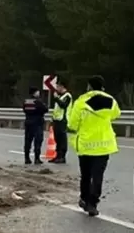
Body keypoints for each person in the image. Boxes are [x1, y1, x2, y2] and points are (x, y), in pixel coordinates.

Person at [68, 75, 121, 217]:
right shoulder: (111, 100)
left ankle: (84, 199)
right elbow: (116, 114)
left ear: (89, 86)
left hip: (85, 145)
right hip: (103, 145)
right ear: (102, 87)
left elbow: (73, 123)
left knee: (86, 175)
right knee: (98, 176)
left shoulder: (81, 101)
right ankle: (93, 203)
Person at [22, 87, 48, 165]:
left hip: (28, 122)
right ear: (34, 93)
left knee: (28, 141)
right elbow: (45, 109)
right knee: (38, 141)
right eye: (37, 92)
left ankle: (27, 158)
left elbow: (24, 110)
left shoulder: (26, 102)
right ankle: (37, 158)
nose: (39, 93)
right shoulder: (38, 102)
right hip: (37, 123)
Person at [49, 81, 73, 164]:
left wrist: (56, 98)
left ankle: (62, 156)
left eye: (58, 87)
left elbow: (63, 105)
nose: (56, 89)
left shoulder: (67, 96)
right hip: (57, 120)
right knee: (57, 139)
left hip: (63, 120)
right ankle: (57, 156)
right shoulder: (60, 96)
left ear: (62, 87)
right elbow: (56, 109)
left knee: (62, 139)